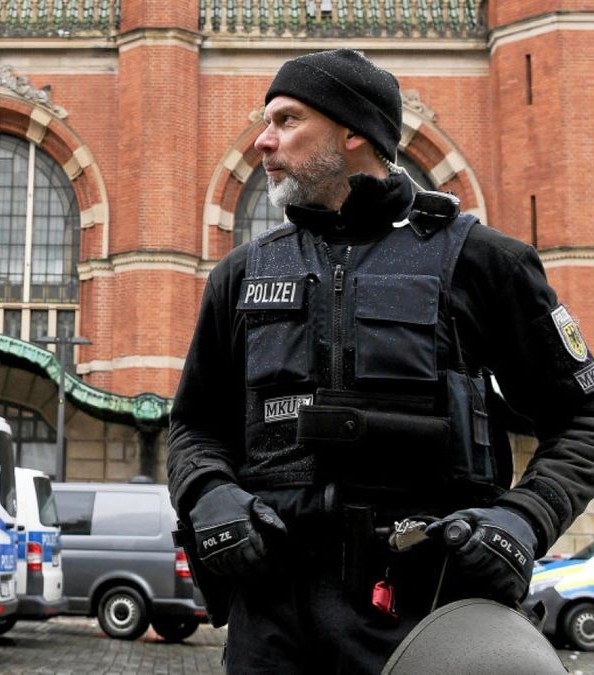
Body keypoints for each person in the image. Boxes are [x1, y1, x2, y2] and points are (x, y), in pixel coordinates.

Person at [167, 48, 594, 673]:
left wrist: (525, 519)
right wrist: (208, 497)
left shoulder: (484, 262)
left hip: (429, 612)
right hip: (273, 614)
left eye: (286, 120)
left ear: (353, 131)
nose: (263, 141)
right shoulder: (242, 273)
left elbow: (582, 419)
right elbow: (194, 425)